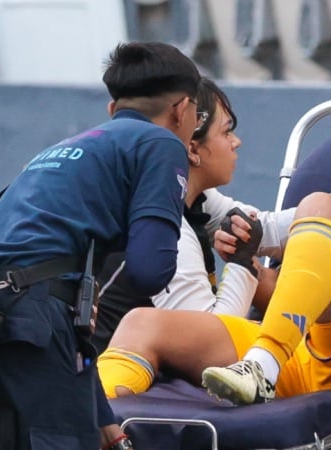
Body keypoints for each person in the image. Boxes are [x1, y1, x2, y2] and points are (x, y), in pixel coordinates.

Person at [97, 86, 331, 408]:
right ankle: (92, 423)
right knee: (141, 323)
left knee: (320, 204)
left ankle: (261, 366)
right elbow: (295, 300)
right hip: (298, 353)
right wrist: (249, 264)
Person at [0, 42, 202, 450]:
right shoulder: (161, 144)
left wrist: (101, 418)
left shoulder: (65, 148)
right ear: (181, 109)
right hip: (33, 321)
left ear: (112, 110)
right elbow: (149, 268)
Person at [92, 77, 289, 354]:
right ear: (193, 149)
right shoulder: (163, 229)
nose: (236, 142)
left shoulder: (191, 197)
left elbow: (265, 228)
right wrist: (242, 262)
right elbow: (217, 342)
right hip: (110, 386)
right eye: (226, 132)